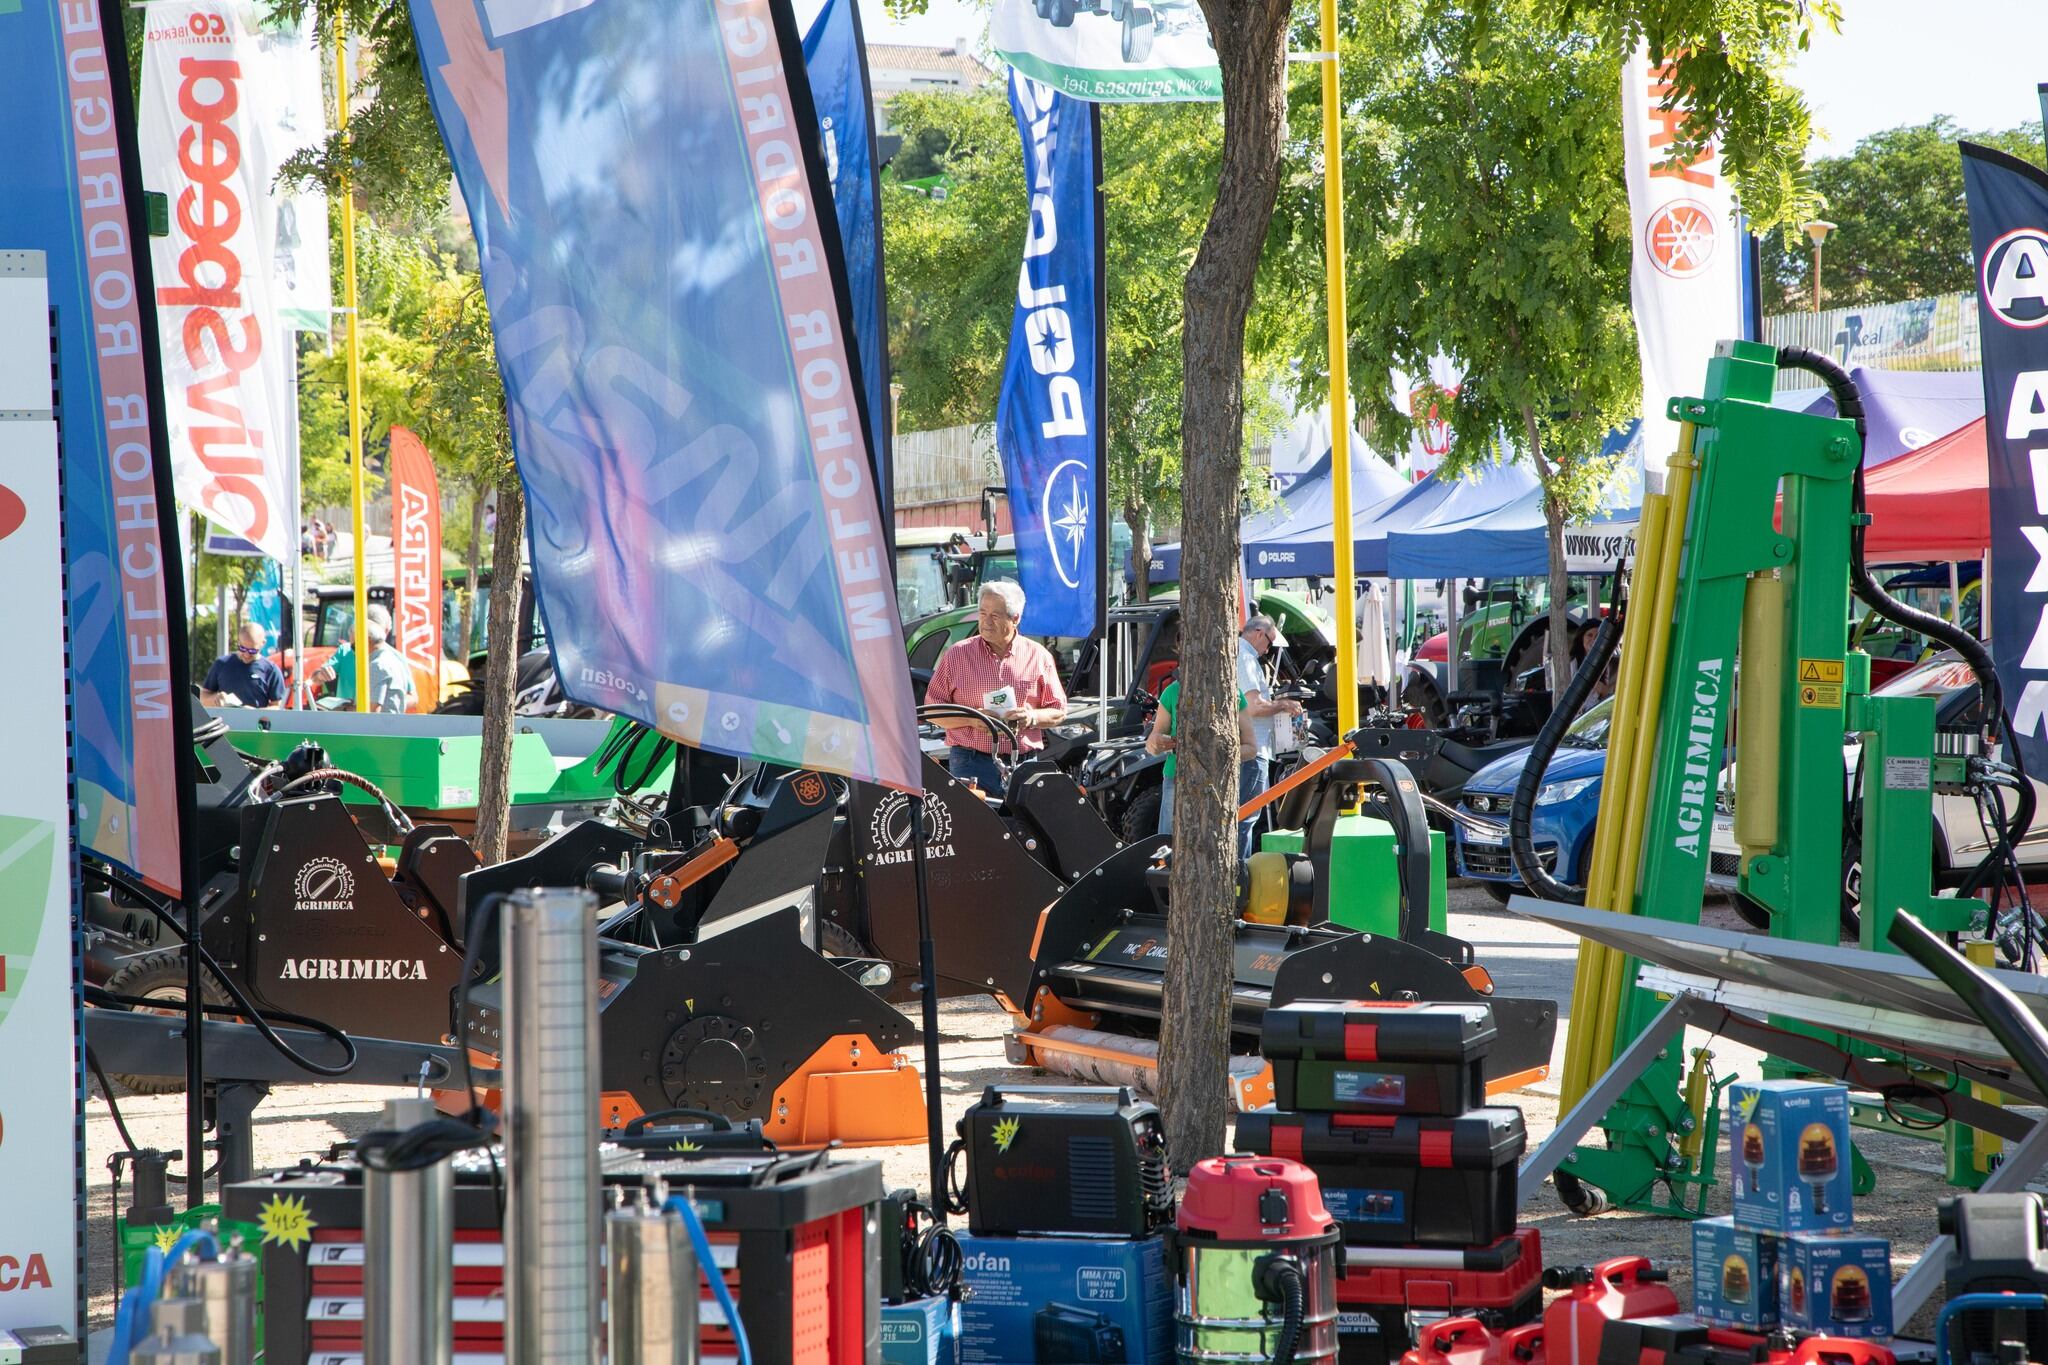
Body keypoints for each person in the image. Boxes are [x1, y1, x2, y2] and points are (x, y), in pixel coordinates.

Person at [924, 580, 1067, 795]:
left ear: (1015, 619)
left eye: (995, 615)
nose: (986, 622)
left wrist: (1031, 717)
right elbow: (933, 711)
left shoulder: (1038, 656)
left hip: (1024, 764)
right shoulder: (956, 655)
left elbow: (1058, 711)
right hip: (970, 761)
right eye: (982, 613)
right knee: (975, 828)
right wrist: (973, 719)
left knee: (1024, 828)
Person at [1145, 676, 1255, 837]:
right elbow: (1152, 744)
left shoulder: (1233, 694)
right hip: (1175, 778)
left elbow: (1251, 748)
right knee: (1167, 843)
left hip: (1217, 783)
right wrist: (1154, 742)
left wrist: (1218, 754)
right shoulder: (1172, 691)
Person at [1236, 615, 1306, 858]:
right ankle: (1238, 874)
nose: (1269, 649)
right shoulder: (1244, 658)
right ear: (1257, 632)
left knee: (1244, 817)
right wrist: (1283, 705)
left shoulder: (1243, 656)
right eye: (1269, 641)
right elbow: (1254, 707)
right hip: (1252, 749)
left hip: (1251, 748)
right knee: (1245, 818)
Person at [314, 604, 417, 713]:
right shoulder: (345, 650)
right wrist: (321, 675)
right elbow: (315, 678)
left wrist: (389, 701)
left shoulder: (383, 662)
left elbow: (372, 712)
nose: (354, 649)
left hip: (362, 723)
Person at [201, 622, 287, 709]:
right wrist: (216, 699)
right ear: (238, 641)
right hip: (224, 720)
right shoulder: (221, 664)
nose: (246, 654)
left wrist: (255, 713)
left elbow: (278, 706)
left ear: (263, 643)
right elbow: (203, 697)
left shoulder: (271, 670)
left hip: (255, 722)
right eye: (242, 648)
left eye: (252, 651)